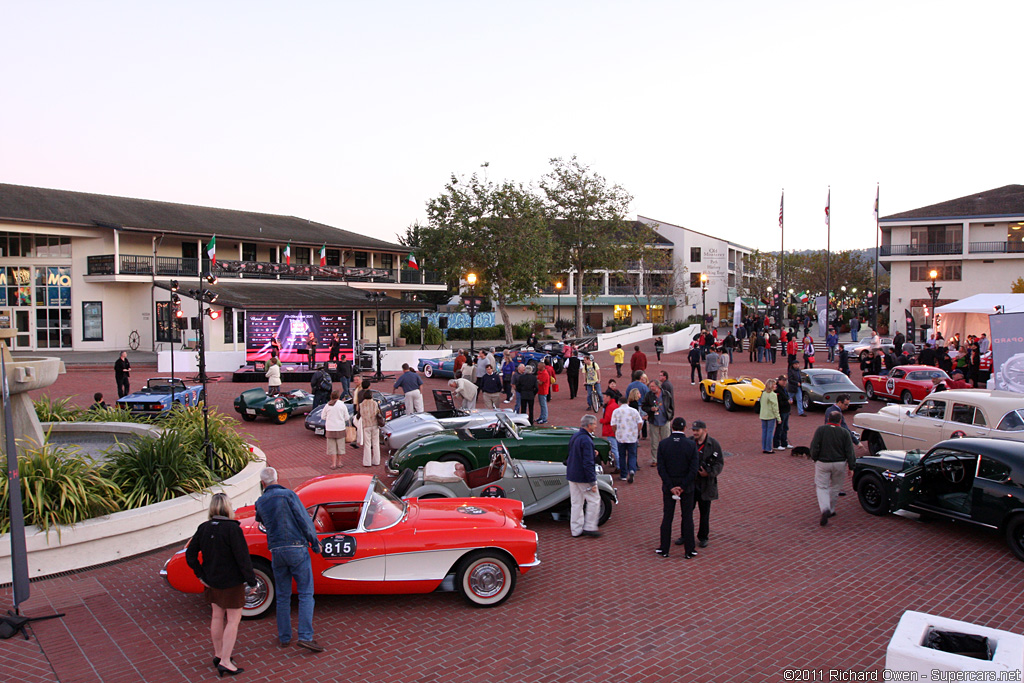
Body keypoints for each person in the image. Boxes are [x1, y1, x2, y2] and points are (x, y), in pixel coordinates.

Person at [186, 493, 257, 675]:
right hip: (232, 582)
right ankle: (226, 660)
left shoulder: (203, 528)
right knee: (233, 620)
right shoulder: (233, 529)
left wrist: (201, 575)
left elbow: (190, 555)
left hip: (211, 580)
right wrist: (251, 581)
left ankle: (218, 654)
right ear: (227, 508)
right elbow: (243, 559)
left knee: (216, 617)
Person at [254, 467, 323, 653]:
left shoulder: (261, 501)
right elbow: (303, 520)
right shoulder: (288, 495)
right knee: (306, 593)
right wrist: (315, 544)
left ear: (262, 483)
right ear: (277, 478)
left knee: (283, 596)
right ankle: (305, 636)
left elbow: (259, 518)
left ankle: (284, 637)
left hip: (276, 550)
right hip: (296, 547)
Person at [655, 417, 698, 559]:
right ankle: (689, 550)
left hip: (669, 486)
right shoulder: (691, 445)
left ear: (672, 427)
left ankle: (664, 549)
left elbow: (661, 468)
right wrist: (683, 486)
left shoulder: (663, 444)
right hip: (687, 487)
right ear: (684, 428)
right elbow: (693, 469)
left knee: (667, 516)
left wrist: (671, 486)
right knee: (687, 517)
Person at [810, 410, 856, 526]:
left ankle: (825, 508)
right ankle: (831, 509)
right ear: (840, 420)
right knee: (836, 487)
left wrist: (815, 458)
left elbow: (814, 446)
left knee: (822, 486)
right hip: (840, 463)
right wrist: (851, 466)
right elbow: (850, 451)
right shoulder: (845, 432)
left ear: (828, 419)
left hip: (823, 462)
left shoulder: (821, 430)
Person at [689, 420, 724, 549]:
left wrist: (709, 473)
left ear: (705, 430)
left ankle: (703, 537)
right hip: (691, 484)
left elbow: (719, 463)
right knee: (687, 512)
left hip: (706, 485)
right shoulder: (689, 442)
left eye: (697, 430)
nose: (695, 433)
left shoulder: (713, 445)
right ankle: (685, 534)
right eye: (693, 430)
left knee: (704, 513)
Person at [566, 415, 601, 538]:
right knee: (594, 500)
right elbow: (588, 463)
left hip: (572, 473)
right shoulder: (586, 440)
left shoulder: (576, 436)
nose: (596, 426)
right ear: (589, 425)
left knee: (576, 502)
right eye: (595, 424)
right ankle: (590, 526)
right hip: (582, 476)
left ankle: (576, 529)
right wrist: (592, 482)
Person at [611, 388, 643, 483]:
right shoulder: (634, 411)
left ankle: (623, 474)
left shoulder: (616, 411)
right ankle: (632, 470)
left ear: (619, 403)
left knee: (622, 455)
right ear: (628, 402)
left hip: (621, 437)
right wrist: (637, 431)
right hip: (632, 436)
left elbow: (613, 425)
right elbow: (640, 422)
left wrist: (616, 432)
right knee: (632, 455)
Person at [642, 380, 674, 467]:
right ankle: (655, 459)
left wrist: (670, 417)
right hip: (654, 421)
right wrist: (650, 409)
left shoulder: (666, 394)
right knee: (654, 442)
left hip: (665, 420)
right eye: (650, 387)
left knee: (666, 441)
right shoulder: (649, 395)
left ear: (658, 386)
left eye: (653, 386)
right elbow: (643, 406)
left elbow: (671, 405)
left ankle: (666, 459)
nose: (651, 388)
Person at [321, 390, 350, 469]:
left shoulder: (327, 405)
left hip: (330, 428)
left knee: (332, 447)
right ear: (338, 396)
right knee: (340, 446)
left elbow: (323, 417)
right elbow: (347, 417)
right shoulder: (342, 405)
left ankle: (333, 464)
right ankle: (339, 462)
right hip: (340, 428)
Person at [599, 390, 619, 473]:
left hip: (611, 431)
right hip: (615, 431)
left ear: (609, 397)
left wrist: (601, 420)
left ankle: (619, 466)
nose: (603, 398)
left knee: (615, 449)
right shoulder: (614, 405)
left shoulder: (610, 407)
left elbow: (608, 419)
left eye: (604, 397)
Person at [759, 378, 781, 453]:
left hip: (763, 415)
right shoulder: (772, 395)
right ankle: (768, 448)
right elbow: (775, 408)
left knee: (764, 432)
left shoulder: (764, 393)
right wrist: (778, 418)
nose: (775, 386)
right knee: (769, 432)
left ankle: (764, 447)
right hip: (770, 416)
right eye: (774, 384)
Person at [774, 375, 793, 450]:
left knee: (785, 427)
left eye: (785, 381)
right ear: (779, 381)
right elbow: (779, 402)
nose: (785, 382)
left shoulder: (784, 389)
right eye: (783, 381)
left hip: (786, 411)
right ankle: (776, 444)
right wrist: (787, 402)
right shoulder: (777, 390)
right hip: (781, 411)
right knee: (780, 428)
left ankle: (784, 442)